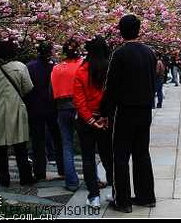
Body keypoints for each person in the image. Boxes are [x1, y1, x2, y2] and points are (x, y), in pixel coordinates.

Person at [102, 14, 157, 213]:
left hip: (125, 111)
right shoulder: (150, 53)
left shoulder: (119, 54)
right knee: (142, 153)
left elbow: (111, 87)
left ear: (121, 30)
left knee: (121, 155)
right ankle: (146, 196)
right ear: (138, 29)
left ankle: (122, 200)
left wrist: (104, 112)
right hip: (145, 110)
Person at [0, 39, 35, 187]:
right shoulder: (20, 67)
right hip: (16, 109)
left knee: (0, 148)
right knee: (20, 146)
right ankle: (25, 177)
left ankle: (4, 179)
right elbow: (28, 87)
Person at [74, 36, 114, 211]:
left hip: (86, 121)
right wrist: (104, 116)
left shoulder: (81, 70)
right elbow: (113, 95)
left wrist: (90, 119)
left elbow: (79, 99)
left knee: (88, 158)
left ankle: (94, 196)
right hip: (105, 120)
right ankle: (114, 190)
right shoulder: (110, 70)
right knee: (108, 156)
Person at [25, 40, 64, 180]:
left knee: (37, 140)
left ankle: (39, 171)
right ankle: (63, 168)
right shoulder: (56, 67)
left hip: (35, 107)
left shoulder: (29, 67)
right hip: (52, 106)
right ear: (50, 51)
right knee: (58, 138)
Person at [50, 38, 83, 192]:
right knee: (86, 144)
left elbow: (51, 91)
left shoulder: (56, 68)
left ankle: (71, 181)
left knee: (67, 145)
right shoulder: (82, 65)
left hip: (62, 108)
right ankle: (93, 178)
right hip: (80, 107)